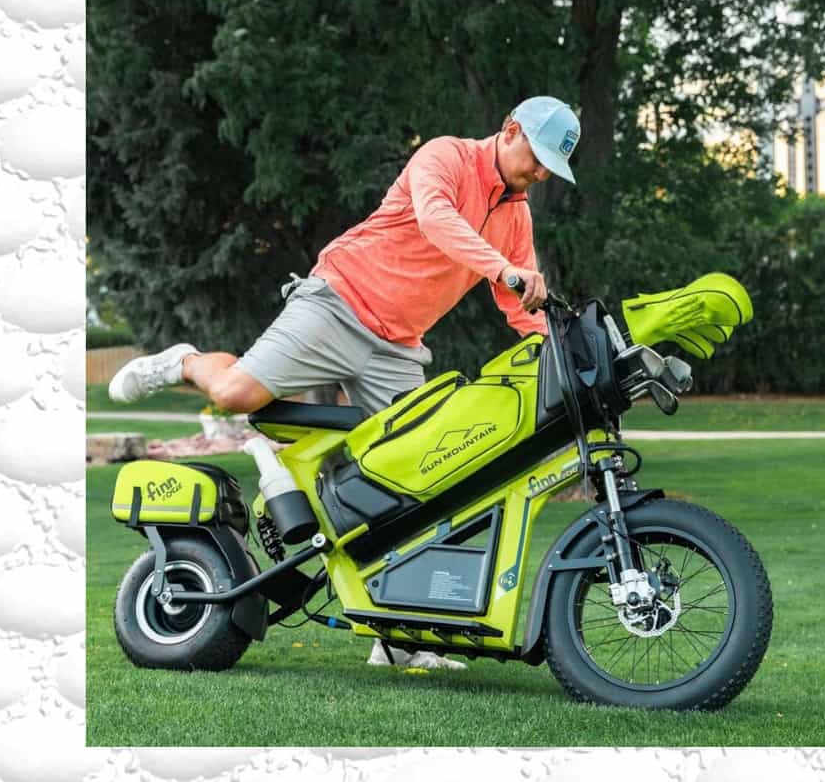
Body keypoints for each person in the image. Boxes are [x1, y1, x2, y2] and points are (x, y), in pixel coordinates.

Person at [108, 95, 581, 669]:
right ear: (510, 131)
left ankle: (396, 641)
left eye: (550, 168)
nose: (540, 174)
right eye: (538, 159)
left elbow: (519, 307)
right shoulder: (446, 156)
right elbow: (437, 220)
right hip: (338, 302)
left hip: (398, 346)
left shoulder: (516, 216)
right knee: (235, 394)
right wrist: (504, 268)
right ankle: (183, 361)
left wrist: (562, 351)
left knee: (423, 484)